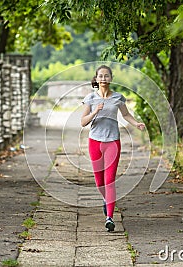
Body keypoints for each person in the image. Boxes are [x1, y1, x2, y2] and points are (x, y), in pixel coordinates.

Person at [81, 65, 145, 232]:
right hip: (95, 141)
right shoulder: (90, 98)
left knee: (110, 181)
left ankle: (109, 217)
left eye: (106, 76)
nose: (103, 78)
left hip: (112, 142)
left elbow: (125, 115)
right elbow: (83, 122)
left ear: (111, 78)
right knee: (99, 182)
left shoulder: (118, 98)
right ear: (96, 79)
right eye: (100, 76)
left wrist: (136, 123)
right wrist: (95, 111)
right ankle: (106, 200)